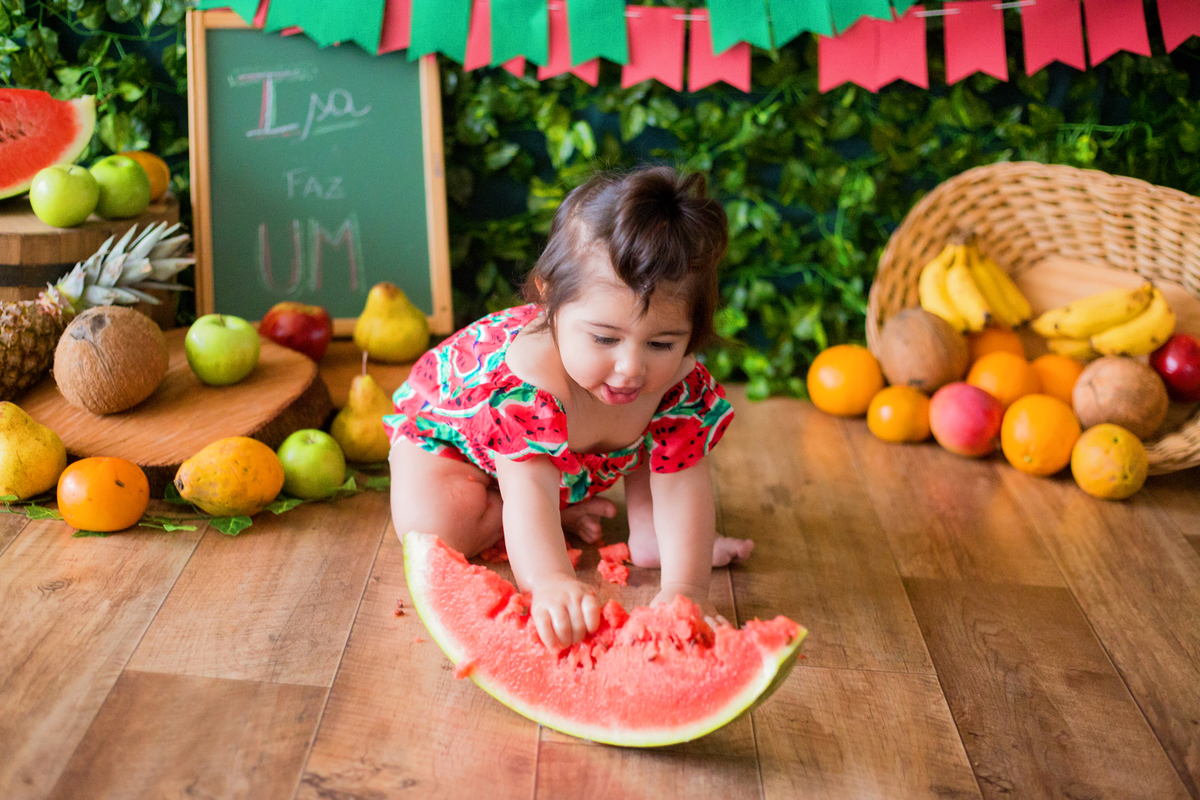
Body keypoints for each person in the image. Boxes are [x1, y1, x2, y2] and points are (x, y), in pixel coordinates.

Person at [385, 165, 753, 651]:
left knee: (663, 442)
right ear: (549, 297)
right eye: (604, 338)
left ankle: (649, 535)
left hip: (565, 464)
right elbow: (528, 493)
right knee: (432, 528)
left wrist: (688, 590)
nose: (630, 368)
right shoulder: (531, 383)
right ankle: (546, 518)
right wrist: (550, 580)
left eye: (662, 343)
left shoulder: (676, 385)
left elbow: (683, 482)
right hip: (453, 445)